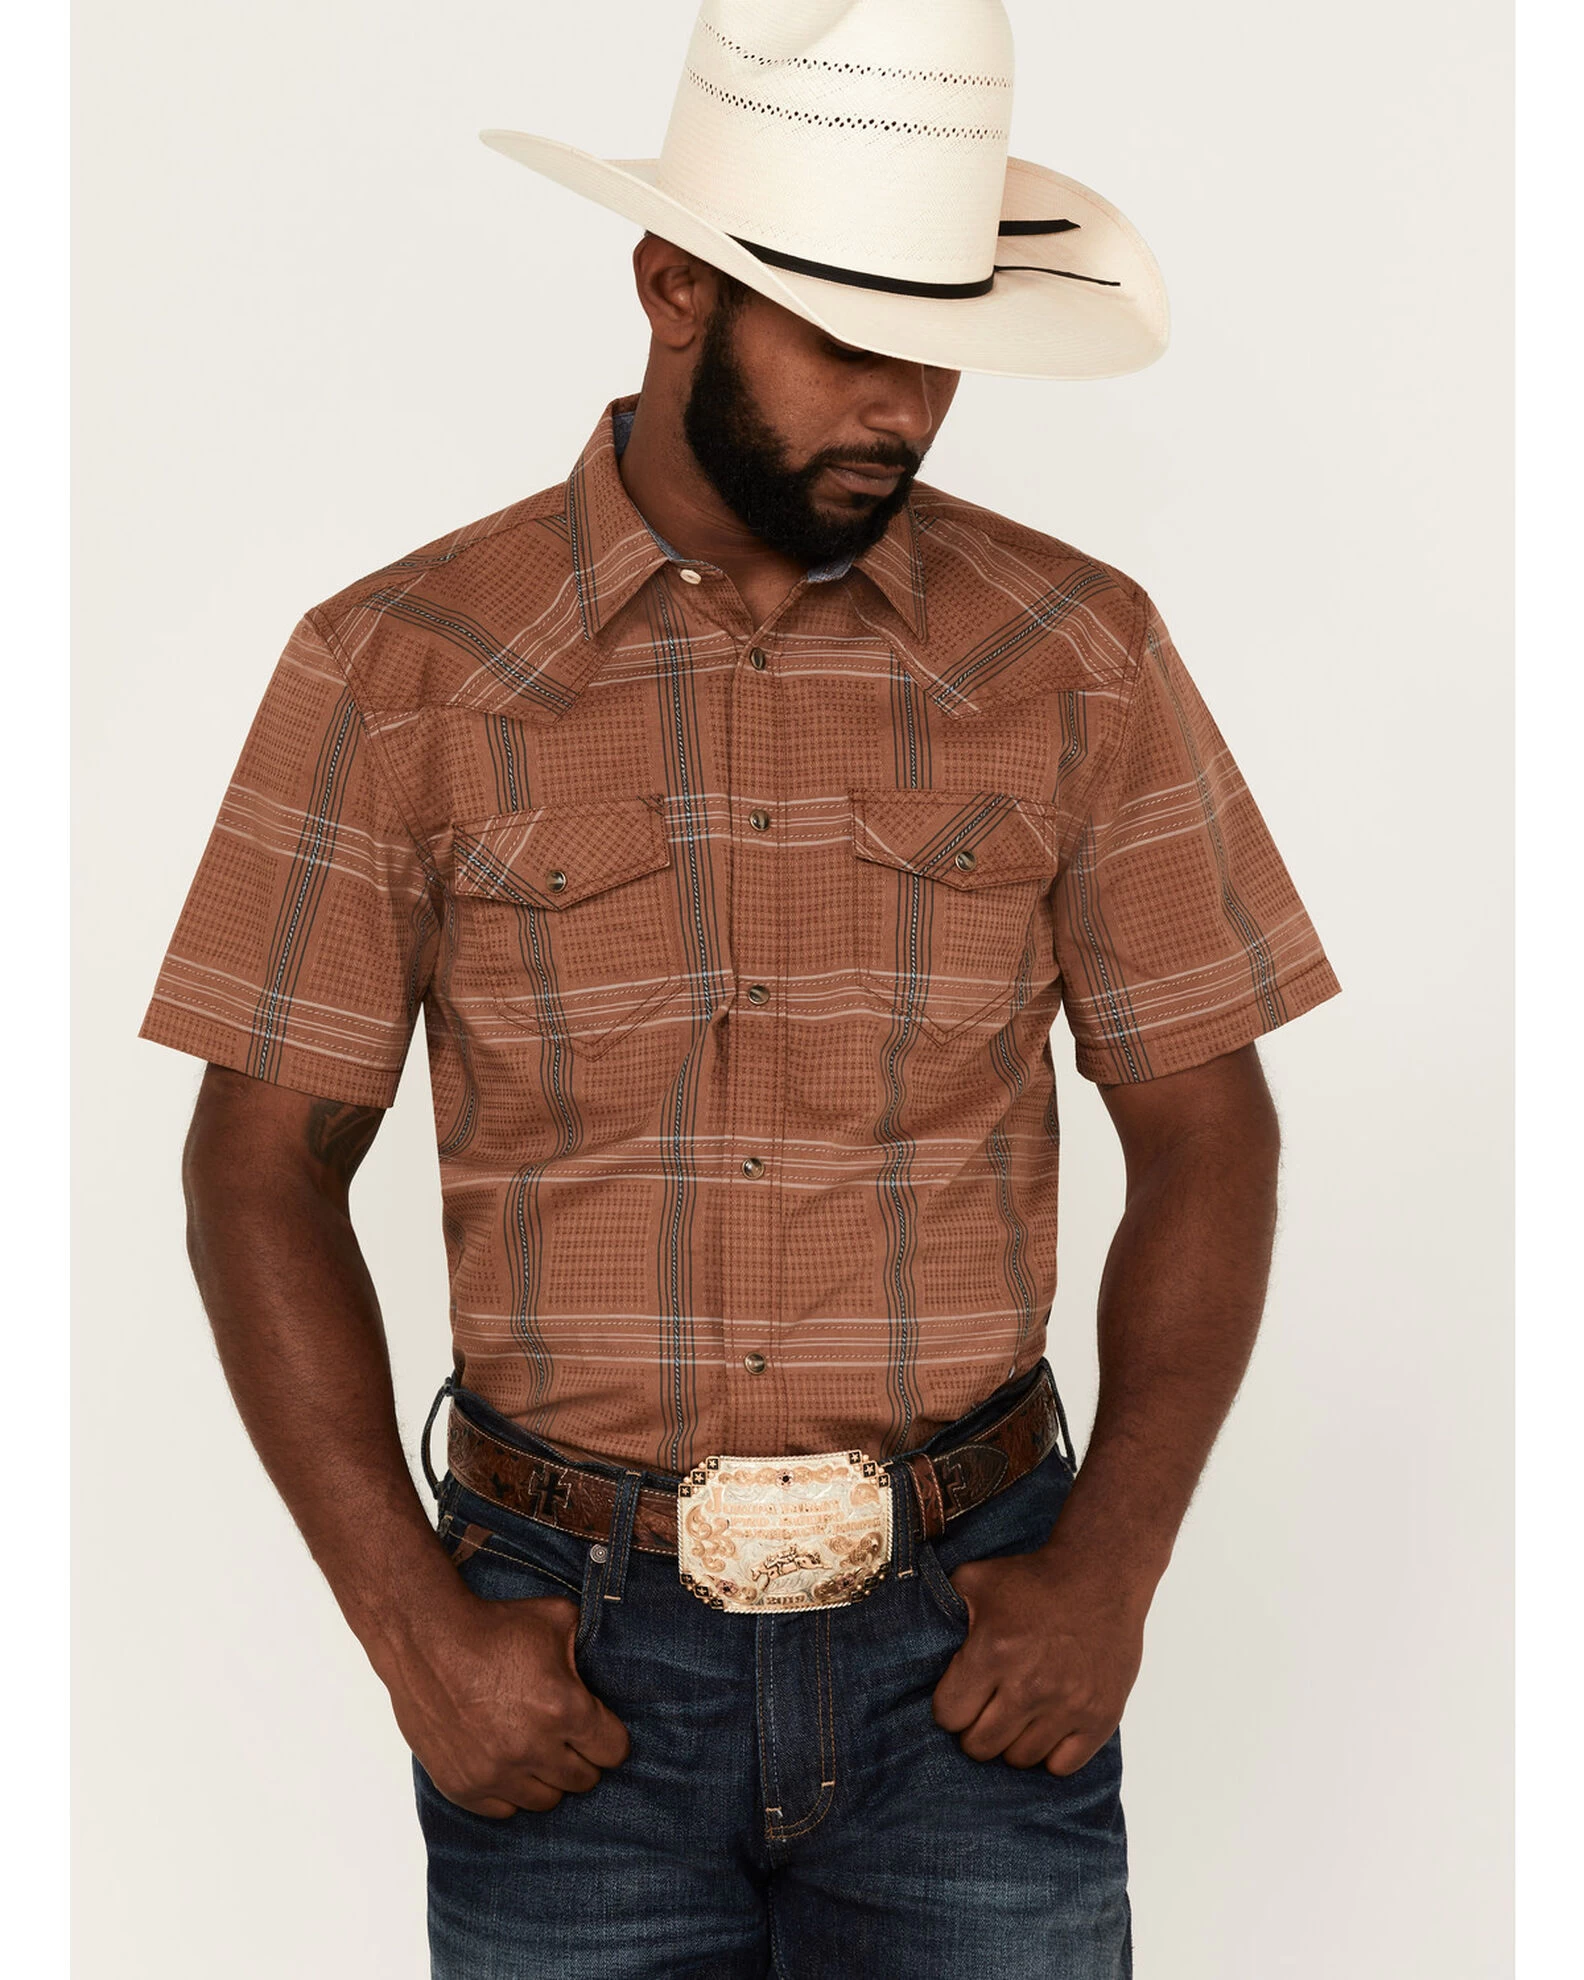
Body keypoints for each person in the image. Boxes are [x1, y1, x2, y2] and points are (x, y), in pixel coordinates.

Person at [138, 3, 1340, 1974]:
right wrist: (414, 1631)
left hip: (973, 1650)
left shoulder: (1080, 656)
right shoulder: (398, 671)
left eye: (935, 348)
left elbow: (1211, 1131)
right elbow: (255, 1168)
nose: (904, 408)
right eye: (845, 341)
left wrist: (1110, 1574)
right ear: (673, 287)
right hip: (564, 1659)